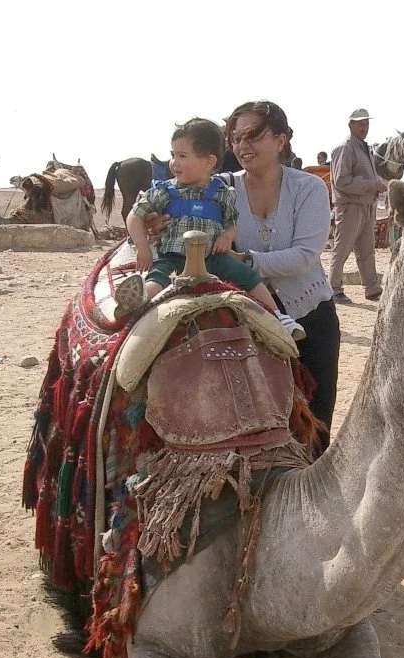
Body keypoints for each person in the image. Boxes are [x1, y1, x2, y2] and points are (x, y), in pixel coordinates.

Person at [222, 100, 341, 449]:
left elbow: (305, 256)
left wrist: (242, 262)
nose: (243, 146)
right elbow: (176, 205)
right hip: (244, 319)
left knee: (314, 424)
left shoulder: (309, 188)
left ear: (281, 139)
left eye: (254, 136)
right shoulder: (220, 188)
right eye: (236, 137)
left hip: (310, 315)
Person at [120, 118, 304, 339]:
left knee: (248, 277)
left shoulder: (222, 193)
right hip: (173, 257)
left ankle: (278, 316)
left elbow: (232, 224)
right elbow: (134, 216)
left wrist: (227, 237)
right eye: (173, 155)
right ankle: (135, 303)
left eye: (182, 156)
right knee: (157, 279)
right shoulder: (164, 191)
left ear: (208, 161)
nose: (174, 163)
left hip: (213, 258)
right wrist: (143, 248)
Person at [328, 108, 387, 304]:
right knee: (342, 249)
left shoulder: (364, 148)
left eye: (366, 124)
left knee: (367, 250)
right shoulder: (345, 148)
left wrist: (376, 186)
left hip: (366, 206)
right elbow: (341, 180)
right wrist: (372, 185)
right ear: (350, 125)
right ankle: (334, 289)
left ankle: (372, 289)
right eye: (361, 123)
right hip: (350, 207)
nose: (365, 127)